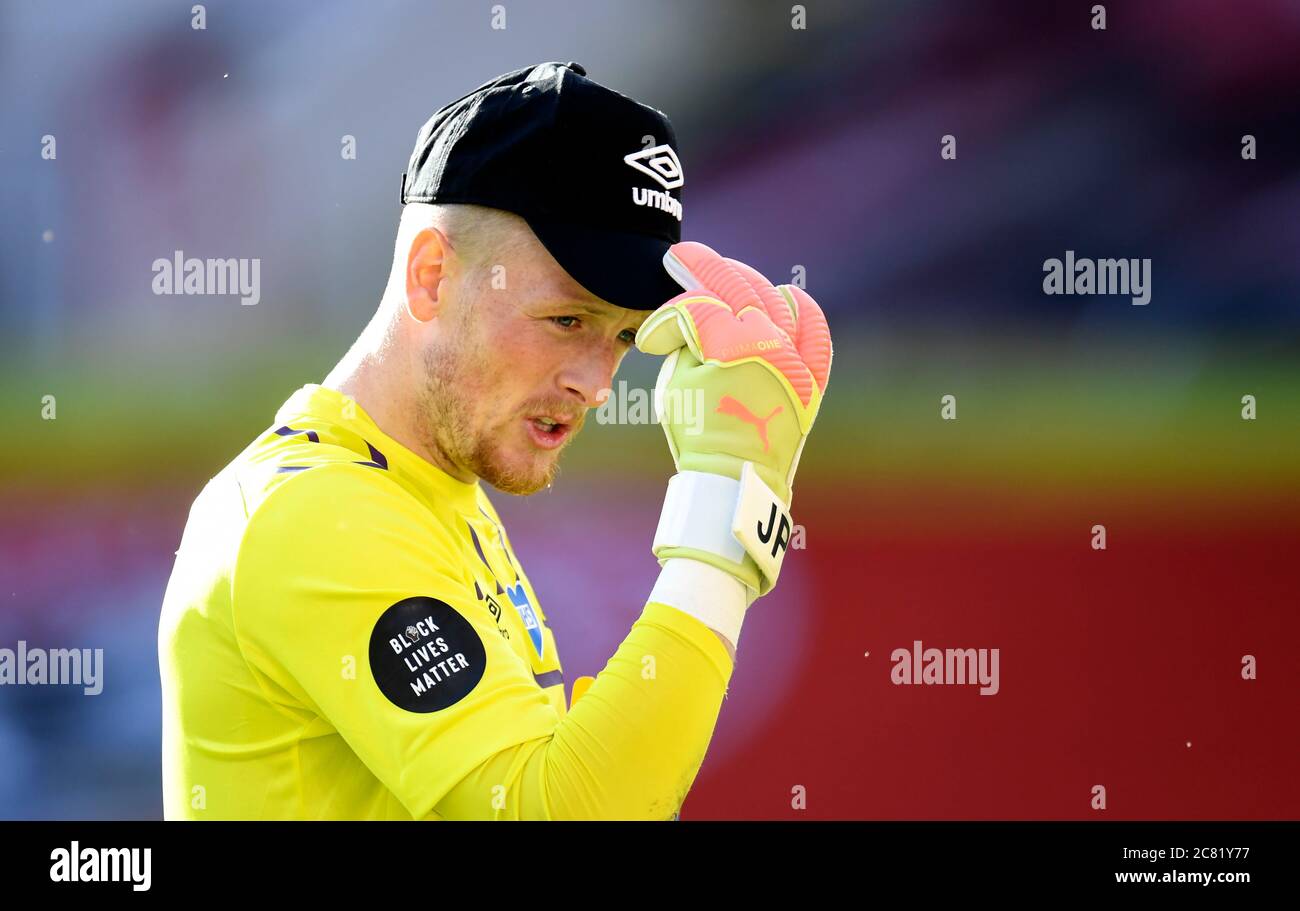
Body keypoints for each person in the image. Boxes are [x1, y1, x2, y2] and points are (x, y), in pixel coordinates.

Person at [158, 61, 831, 820]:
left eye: (624, 337)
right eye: (568, 320)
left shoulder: (428, 488)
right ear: (431, 275)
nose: (597, 383)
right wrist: (726, 512)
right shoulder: (315, 511)